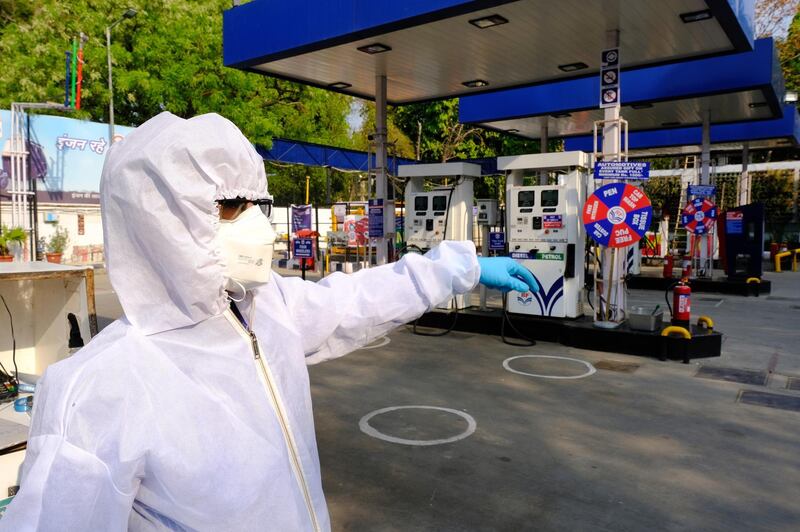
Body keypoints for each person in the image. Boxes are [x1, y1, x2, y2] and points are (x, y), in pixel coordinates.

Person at [1, 112, 538, 530]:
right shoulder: (101, 390)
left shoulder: (263, 310)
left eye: (258, 200)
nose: (259, 224)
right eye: (230, 205)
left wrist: (457, 266)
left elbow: (353, 301)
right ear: (158, 221)